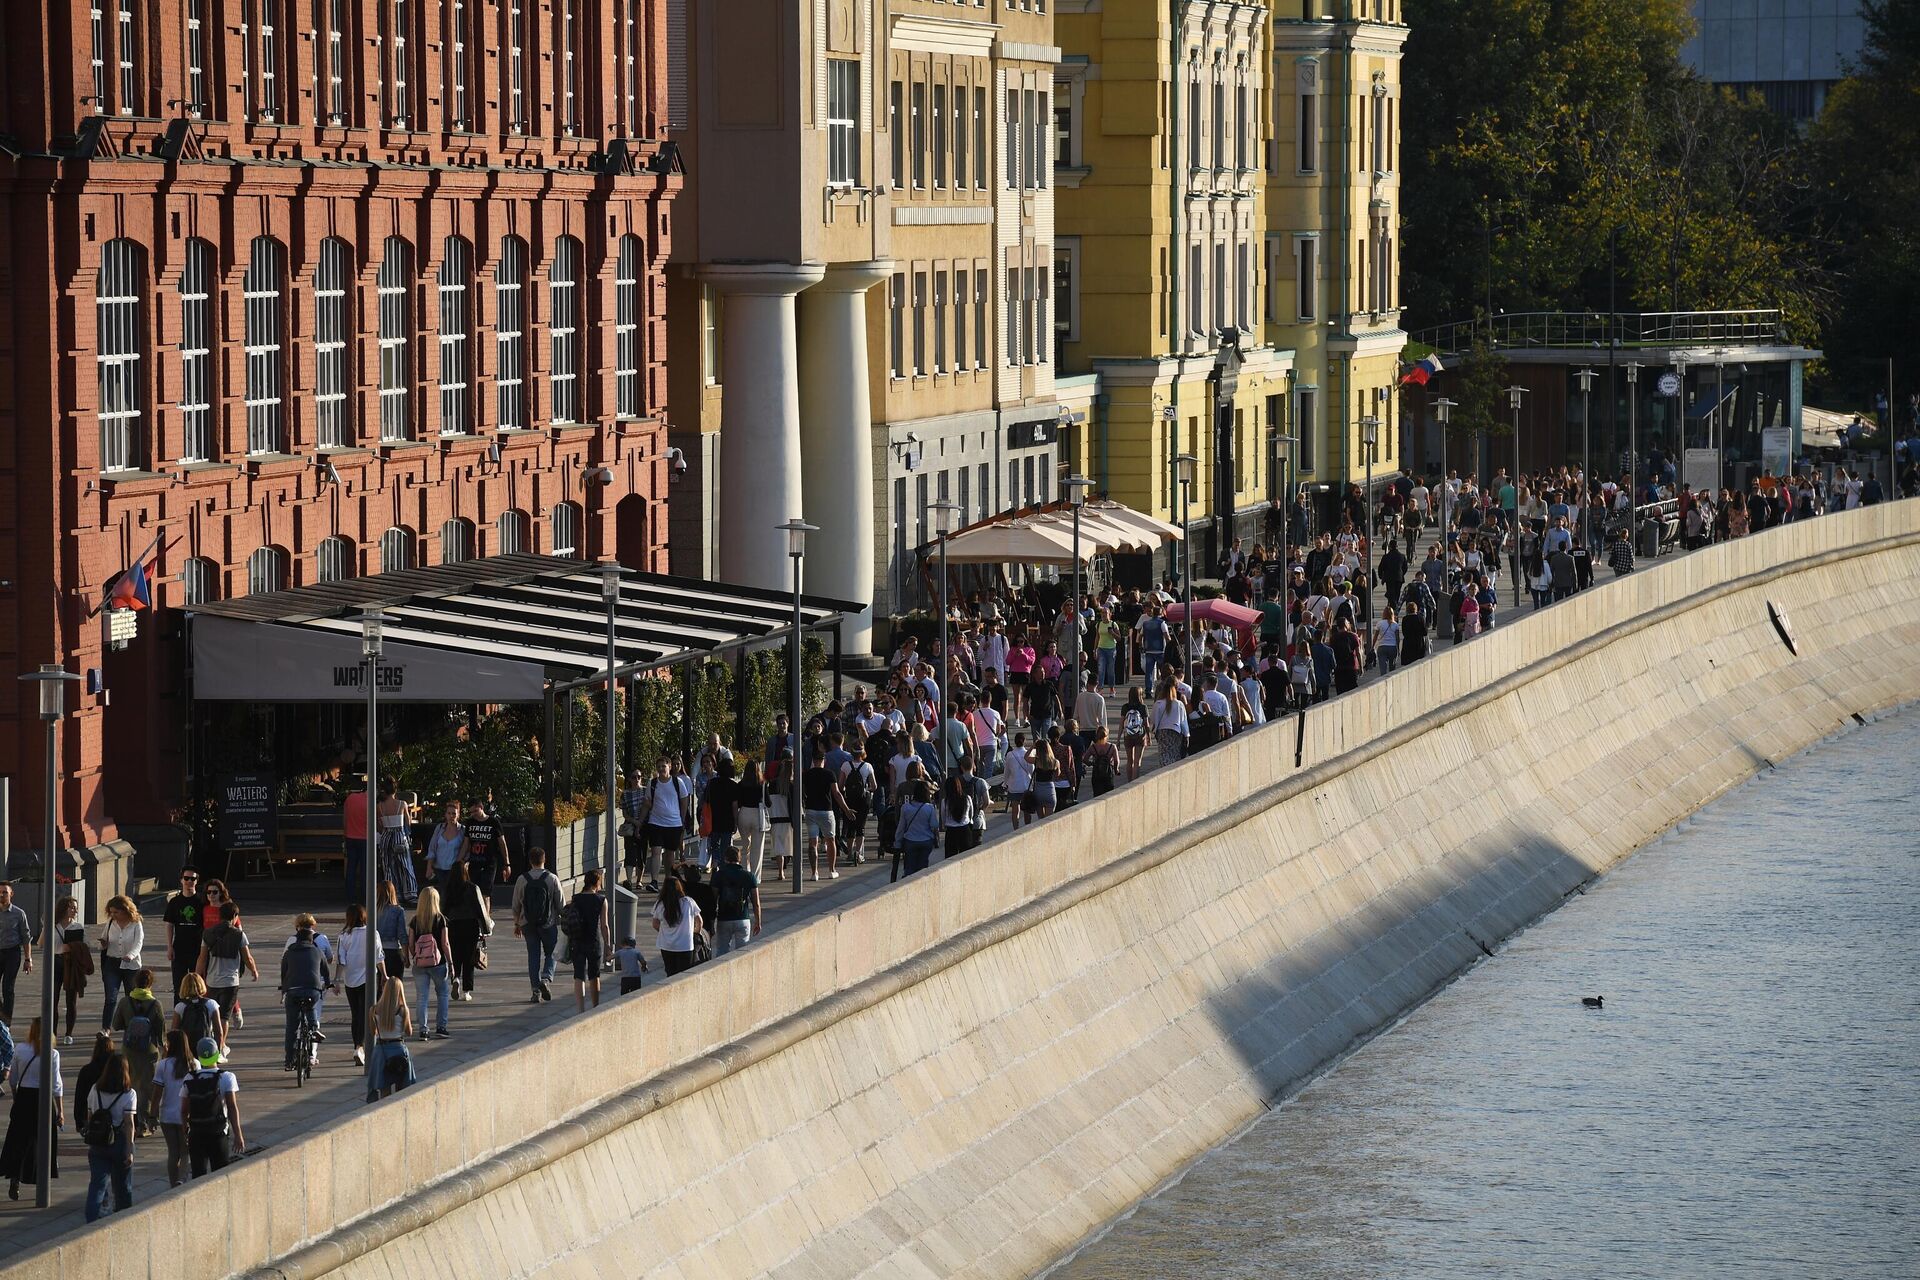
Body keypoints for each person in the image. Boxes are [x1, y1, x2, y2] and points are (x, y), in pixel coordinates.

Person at [1, 1018, 62, 1198]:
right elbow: (56, 1085)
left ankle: (15, 1179)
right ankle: (41, 1182)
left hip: (24, 1098)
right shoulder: (52, 1053)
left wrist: (16, 1096)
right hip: (43, 1098)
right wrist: (60, 1110)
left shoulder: (20, 1049)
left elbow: (13, 1079)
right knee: (43, 1141)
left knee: (19, 1141)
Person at [80, 1045, 136, 1221]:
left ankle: (91, 1219)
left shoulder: (95, 1090)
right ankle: (124, 1218)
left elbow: (90, 1116)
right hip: (118, 1142)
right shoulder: (129, 1094)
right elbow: (129, 1124)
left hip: (98, 1142)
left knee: (97, 1185)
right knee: (123, 1186)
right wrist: (129, 1149)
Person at [108, 966, 163, 1136]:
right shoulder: (155, 1004)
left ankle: (129, 1120)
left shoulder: (125, 1002)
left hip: (129, 1049)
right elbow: (161, 1033)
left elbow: (115, 1025)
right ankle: (144, 1124)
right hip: (149, 1051)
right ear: (150, 984)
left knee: (129, 1085)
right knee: (147, 1088)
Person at [183, 1036, 245, 1175]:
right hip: (218, 1133)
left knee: (198, 1175)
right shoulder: (227, 1077)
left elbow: (184, 1110)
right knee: (220, 1175)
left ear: (199, 1056)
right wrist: (238, 1135)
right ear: (217, 1054)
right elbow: (232, 1107)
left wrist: (184, 1132)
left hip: (196, 1133)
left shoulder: (189, 1078)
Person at [512, 848, 565, 1003]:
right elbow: (561, 904)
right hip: (548, 923)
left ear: (530, 861)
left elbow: (516, 905)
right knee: (552, 952)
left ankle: (535, 991)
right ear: (544, 860)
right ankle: (546, 979)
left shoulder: (522, 879)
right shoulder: (552, 878)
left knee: (533, 956)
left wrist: (517, 923)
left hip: (527, 923)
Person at [195, 899, 257, 1031]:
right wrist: (254, 971)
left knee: (211, 1013)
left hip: (212, 981)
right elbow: (248, 958)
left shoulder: (207, 933)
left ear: (219, 915)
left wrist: (197, 976)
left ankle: (210, 1039)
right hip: (230, 982)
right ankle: (221, 1045)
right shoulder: (239, 935)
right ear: (235, 917)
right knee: (224, 1017)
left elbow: (202, 958)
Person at [280, 922, 332, 1072]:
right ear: (311, 940)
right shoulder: (317, 951)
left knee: (291, 1027)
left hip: (293, 990)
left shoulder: (289, 952)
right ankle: (313, 1027)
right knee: (311, 1003)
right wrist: (327, 984)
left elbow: (284, 971)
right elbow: (326, 971)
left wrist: (284, 988)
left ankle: (289, 1061)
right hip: (313, 989)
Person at [440, 859, 493, 1002]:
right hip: (470, 925)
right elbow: (480, 910)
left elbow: (442, 909)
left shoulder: (448, 889)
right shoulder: (472, 888)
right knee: (469, 959)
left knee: (455, 955)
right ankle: (466, 991)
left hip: (452, 925)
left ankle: (456, 978)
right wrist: (486, 928)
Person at [565, 869, 614, 1010]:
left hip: (577, 940)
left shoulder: (576, 898)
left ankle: (580, 1009)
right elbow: (604, 925)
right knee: (594, 975)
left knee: (579, 975)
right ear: (597, 882)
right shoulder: (601, 900)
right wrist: (608, 945)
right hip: (594, 941)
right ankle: (595, 1006)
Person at [151, 1029, 194, 1187]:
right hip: (186, 1115)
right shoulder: (193, 1064)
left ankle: (172, 1184)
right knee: (185, 1152)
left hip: (167, 1114)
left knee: (173, 1152)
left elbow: (156, 1093)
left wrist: (152, 1114)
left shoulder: (163, 1065)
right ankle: (181, 1180)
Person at [408, 887, 452, 1039]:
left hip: (420, 965)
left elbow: (411, 943)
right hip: (438, 964)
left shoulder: (415, 920)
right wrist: (451, 963)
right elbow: (445, 943)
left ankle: (423, 1030)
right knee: (443, 994)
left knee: (422, 997)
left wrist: (415, 956)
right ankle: (441, 1027)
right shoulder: (441, 919)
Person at [335, 903, 374, 1067]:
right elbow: (379, 956)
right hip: (369, 979)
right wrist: (385, 975)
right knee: (366, 1013)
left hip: (350, 981)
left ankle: (357, 1046)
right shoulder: (372, 932)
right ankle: (361, 1047)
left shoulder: (344, 935)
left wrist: (336, 979)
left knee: (355, 1014)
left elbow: (340, 959)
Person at [365, 982, 416, 1102]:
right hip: (398, 1048)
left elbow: (373, 1032)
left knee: (383, 1087)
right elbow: (409, 1032)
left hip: (381, 1050)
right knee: (402, 1087)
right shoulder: (403, 1010)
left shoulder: (374, 1009)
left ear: (385, 989)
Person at [161, 866, 206, 1000]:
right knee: (178, 987)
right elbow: (169, 924)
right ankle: (179, 1016)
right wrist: (169, 946)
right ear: (181, 880)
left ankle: (195, 1016)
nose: (189, 881)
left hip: (198, 950)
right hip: (179, 948)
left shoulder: (202, 902)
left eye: (193, 879)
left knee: (197, 986)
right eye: (186, 878)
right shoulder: (174, 902)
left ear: (197, 881)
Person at [100, 895, 144, 1029]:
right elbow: (103, 940)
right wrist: (103, 944)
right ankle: (105, 1028)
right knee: (110, 998)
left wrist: (130, 955)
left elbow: (138, 943)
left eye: (116, 912)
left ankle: (132, 1026)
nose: (113, 915)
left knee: (131, 998)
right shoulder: (110, 923)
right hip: (112, 963)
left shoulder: (136, 923)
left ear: (125, 910)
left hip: (131, 965)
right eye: (111, 912)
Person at [711, 845, 761, 956]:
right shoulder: (749, 876)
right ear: (739, 858)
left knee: (722, 952)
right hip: (743, 918)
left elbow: (712, 900)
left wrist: (711, 922)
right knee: (742, 954)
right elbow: (756, 903)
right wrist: (758, 921)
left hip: (724, 918)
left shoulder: (719, 875)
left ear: (725, 858)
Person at [375, 779, 418, 906]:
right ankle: (410, 894)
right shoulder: (402, 804)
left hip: (386, 836)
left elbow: (379, 826)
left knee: (388, 867)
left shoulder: (379, 806)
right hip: (399, 836)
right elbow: (407, 823)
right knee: (405, 866)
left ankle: (393, 894)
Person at [649, 876, 702, 977]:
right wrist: (694, 933)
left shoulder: (660, 904)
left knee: (670, 973)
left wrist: (665, 932)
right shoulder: (689, 902)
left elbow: (655, 924)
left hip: (666, 945)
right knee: (684, 975)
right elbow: (699, 921)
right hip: (685, 945)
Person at [54, 894, 87, 1046]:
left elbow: (83, 946)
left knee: (70, 1000)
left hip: (71, 964)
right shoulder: (54, 924)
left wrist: (73, 947)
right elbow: (41, 944)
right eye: (71, 907)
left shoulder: (78, 926)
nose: (74, 910)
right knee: (52, 1000)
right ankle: (52, 1033)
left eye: (76, 908)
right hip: (55, 962)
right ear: (63, 908)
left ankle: (68, 1033)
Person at [172, 973, 226, 1065]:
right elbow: (219, 1032)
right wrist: (218, 1052)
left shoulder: (180, 1007)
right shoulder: (211, 1004)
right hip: (206, 1047)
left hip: (187, 1050)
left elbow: (174, 1032)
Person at [0, 883, 34, 1031]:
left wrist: (28, 959)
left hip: (12, 953)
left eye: (5, 892)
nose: (2, 895)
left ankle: (6, 1023)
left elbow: (26, 938)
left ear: (11, 894)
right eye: (0, 892)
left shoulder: (19, 913)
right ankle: (1, 1016)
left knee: (7, 988)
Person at [893, 780, 941, 876]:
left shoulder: (905, 807)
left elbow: (901, 828)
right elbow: (934, 825)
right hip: (926, 841)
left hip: (910, 840)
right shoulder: (929, 808)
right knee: (923, 867)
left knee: (909, 867)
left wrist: (897, 843)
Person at [422, 802, 467, 896]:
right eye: (449, 813)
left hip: (453, 869)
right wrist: (429, 867)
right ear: (445, 814)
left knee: (452, 896)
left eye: (454, 813)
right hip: (439, 869)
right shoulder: (440, 828)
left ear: (458, 815)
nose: (451, 816)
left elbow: (466, 850)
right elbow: (432, 848)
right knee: (440, 896)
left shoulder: (462, 830)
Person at [376, 879, 410, 983]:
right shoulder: (398, 910)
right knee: (396, 986)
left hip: (377, 952)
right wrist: (406, 956)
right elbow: (402, 935)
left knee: (380, 987)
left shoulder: (373, 910)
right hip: (394, 950)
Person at [1150, 683, 1189, 764]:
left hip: (1162, 731)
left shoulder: (1158, 704)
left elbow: (1152, 719)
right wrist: (1186, 735)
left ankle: (1164, 766)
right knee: (1175, 753)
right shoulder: (1179, 704)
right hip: (1176, 731)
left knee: (1163, 753)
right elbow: (1183, 721)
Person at [1120, 687, 1148, 782]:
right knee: (1137, 761)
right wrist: (1148, 736)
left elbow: (1121, 724)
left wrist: (1118, 739)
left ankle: (1129, 781)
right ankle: (1135, 782)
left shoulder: (1125, 707)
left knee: (1129, 761)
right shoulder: (1143, 707)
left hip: (1128, 735)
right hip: (1140, 736)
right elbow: (1146, 724)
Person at [1085, 726, 1120, 797]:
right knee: (1109, 795)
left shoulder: (1093, 747)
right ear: (1107, 735)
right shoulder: (1112, 747)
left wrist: (1092, 763)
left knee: (1097, 794)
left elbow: (1085, 759)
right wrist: (1116, 770)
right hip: (1108, 774)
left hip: (1096, 774)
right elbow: (1116, 760)